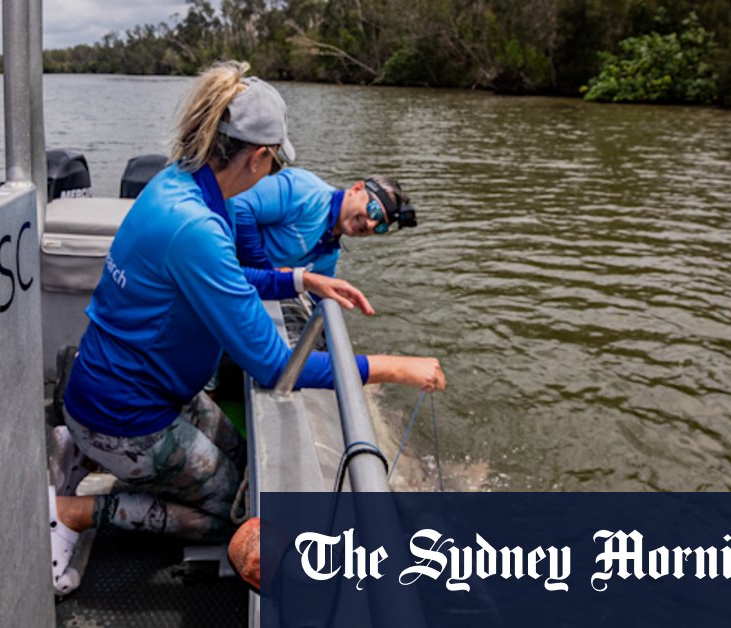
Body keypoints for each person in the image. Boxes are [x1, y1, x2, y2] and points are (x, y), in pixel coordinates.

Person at [47, 61, 445, 595]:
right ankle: (72, 512)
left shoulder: (177, 184)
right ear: (259, 157)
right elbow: (276, 364)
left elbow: (229, 279)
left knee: (241, 461)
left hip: (142, 389)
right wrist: (394, 367)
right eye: (274, 161)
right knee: (232, 516)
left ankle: (80, 448)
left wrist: (301, 279)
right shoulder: (196, 228)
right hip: (124, 414)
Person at [230, 168, 417, 278]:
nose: (370, 224)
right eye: (373, 210)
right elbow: (239, 206)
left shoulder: (329, 255)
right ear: (357, 188)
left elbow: (320, 295)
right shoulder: (304, 190)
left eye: (380, 226)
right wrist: (264, 269)